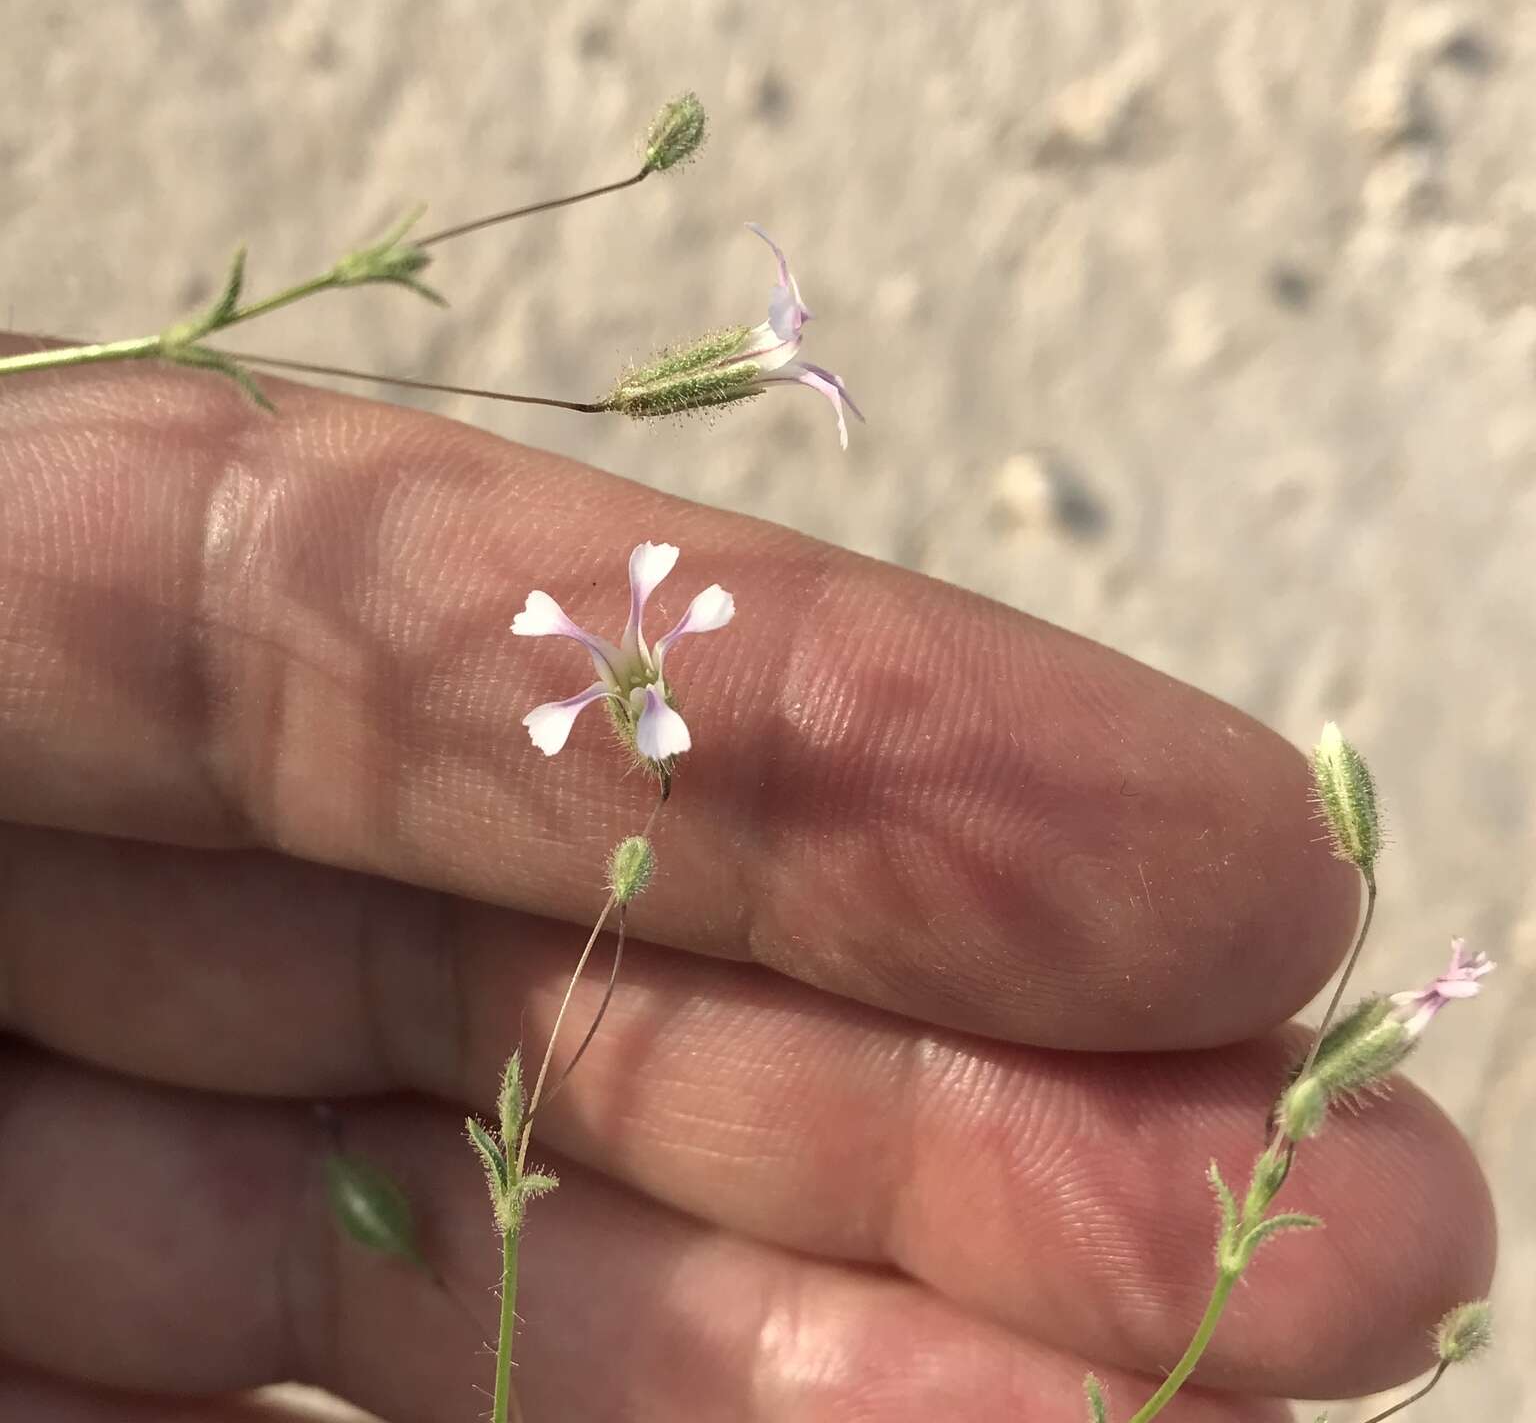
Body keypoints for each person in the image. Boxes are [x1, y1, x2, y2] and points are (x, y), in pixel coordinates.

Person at [0, 358, 1494, 1420]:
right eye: (635, 669)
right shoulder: (608, 723)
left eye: (643, 668)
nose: (639, 671)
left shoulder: (645, 723)